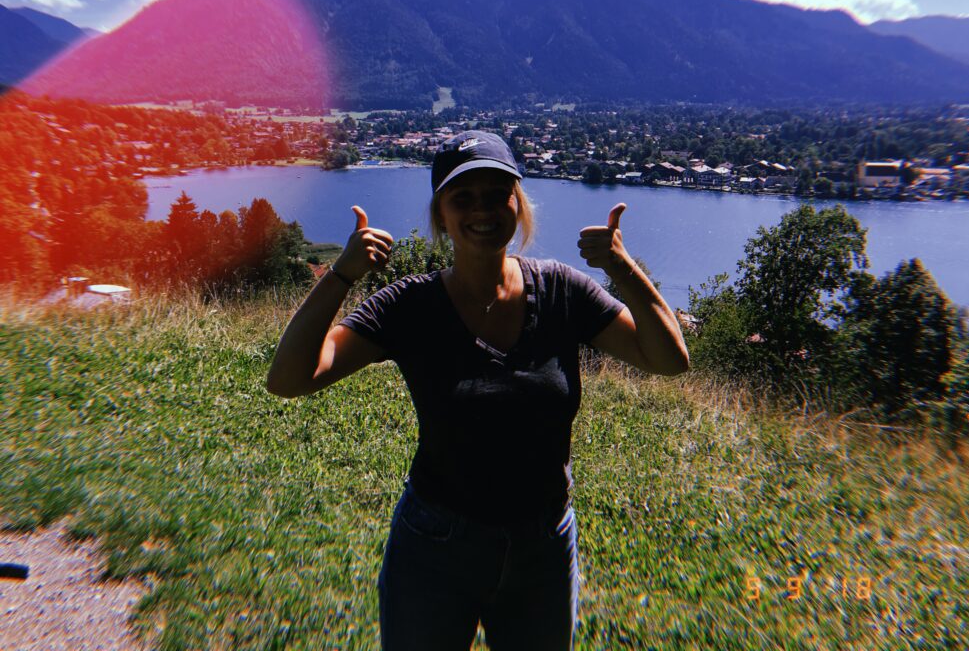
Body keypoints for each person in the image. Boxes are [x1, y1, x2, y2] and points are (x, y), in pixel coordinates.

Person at [266, 130, 688, 650]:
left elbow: (669, 360)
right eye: (462, 198)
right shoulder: (410, 306)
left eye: (496, 195)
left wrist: (622, 267)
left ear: (518, 205)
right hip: (435, 548)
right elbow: (288, 380)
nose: (481, 211)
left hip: (543, 547)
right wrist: (340, 274)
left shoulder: (562, 291)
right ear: (440, 214)